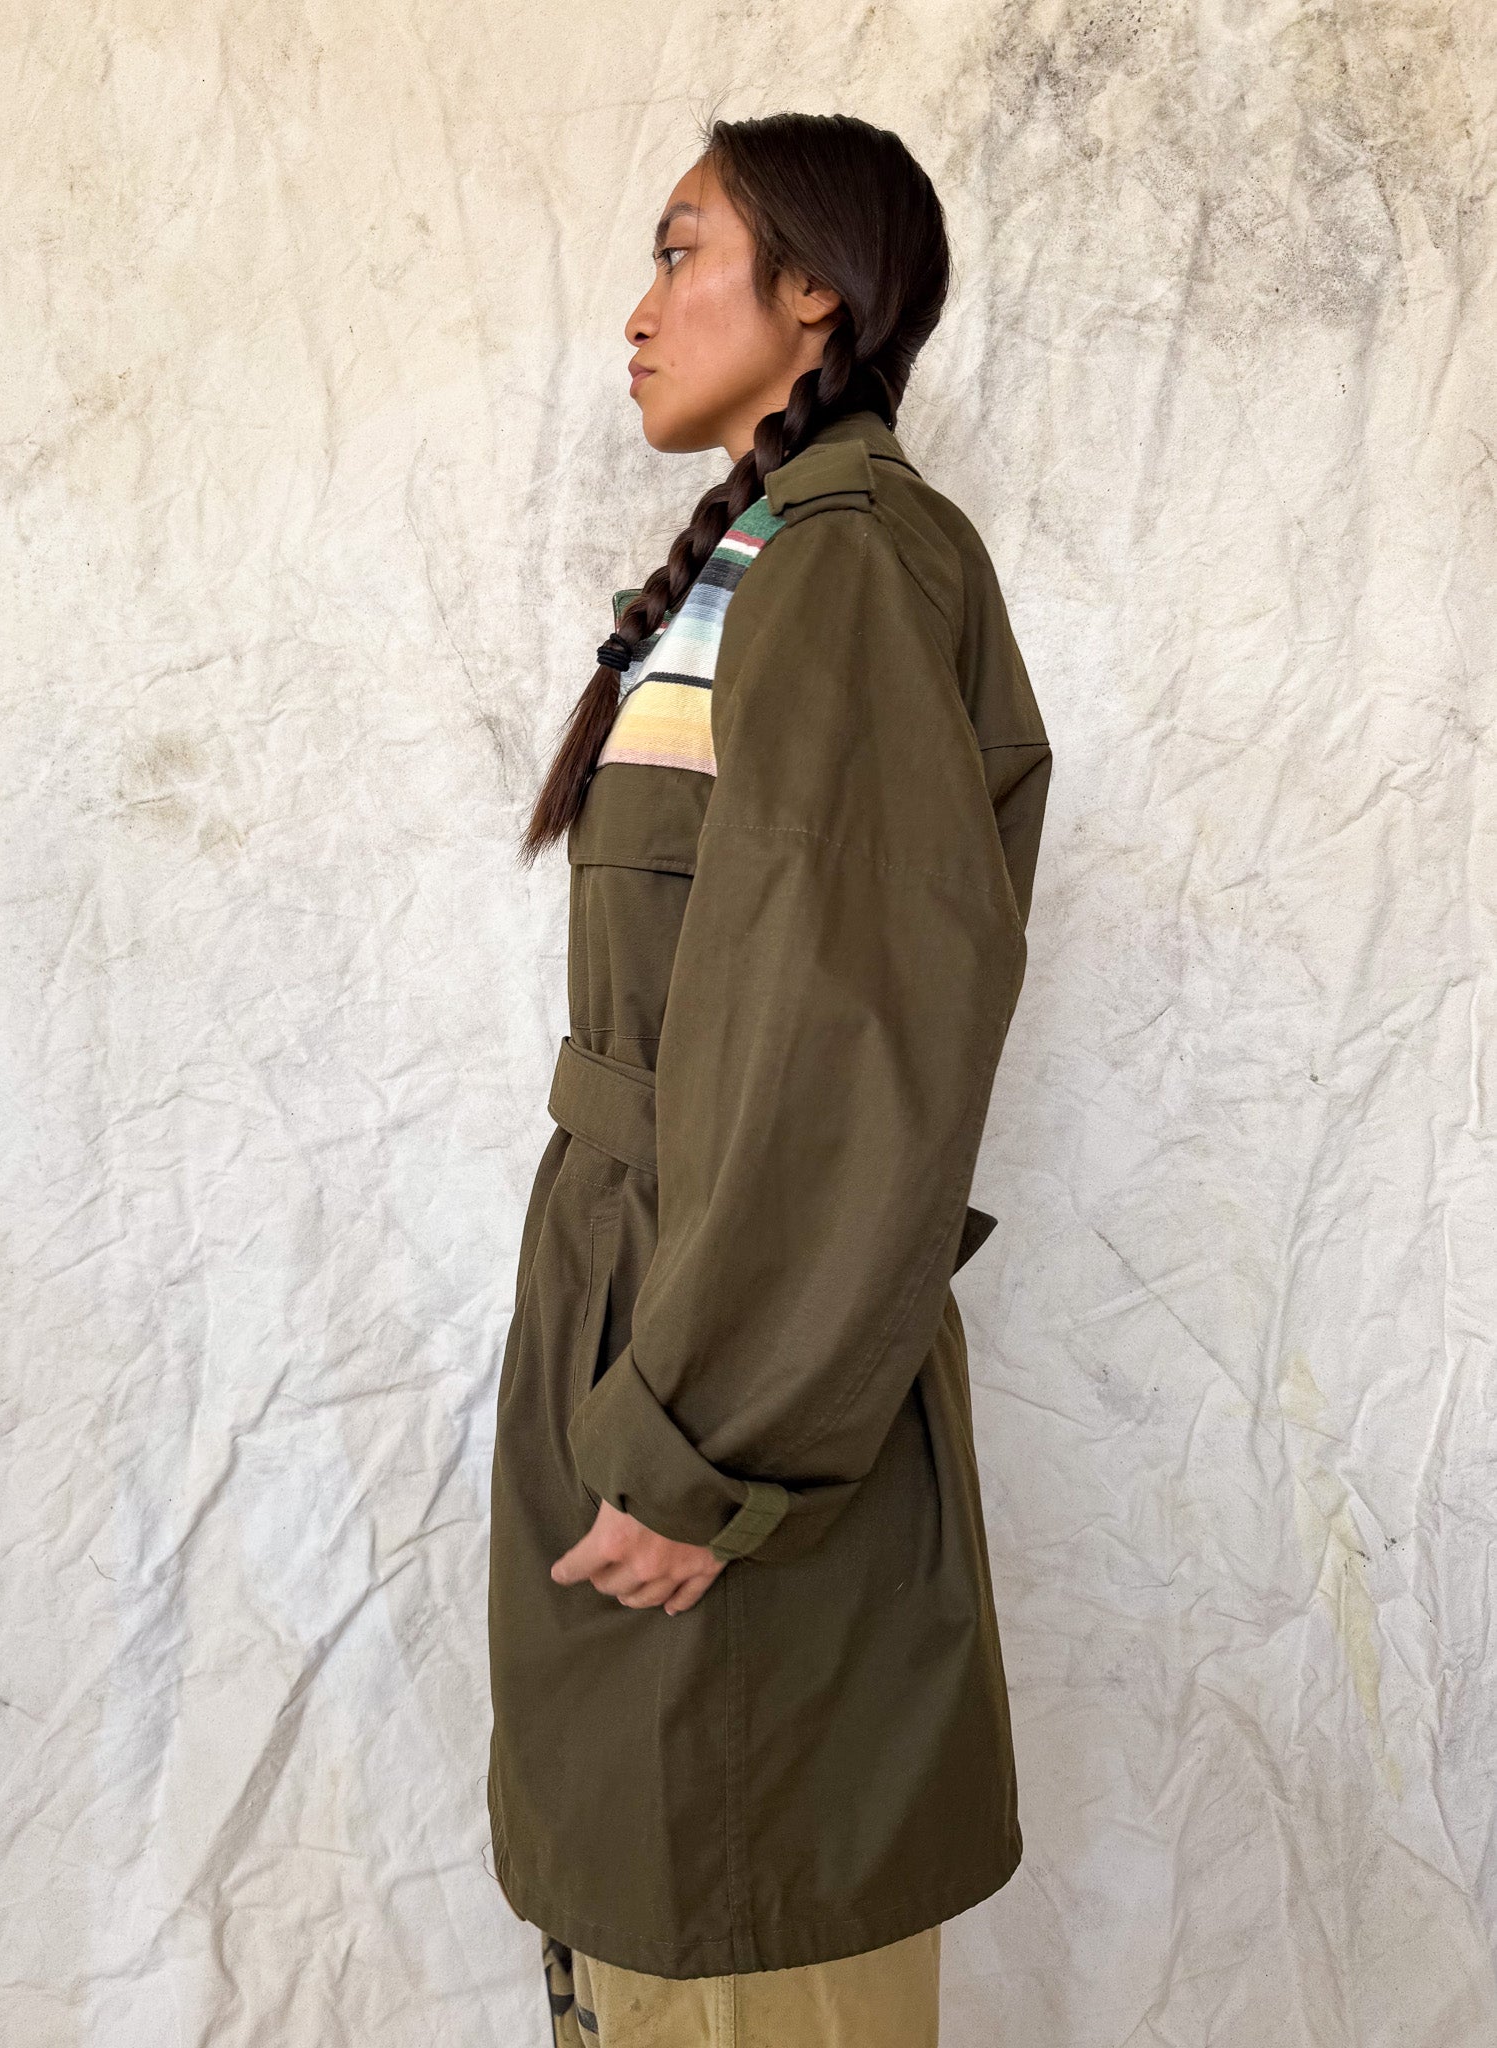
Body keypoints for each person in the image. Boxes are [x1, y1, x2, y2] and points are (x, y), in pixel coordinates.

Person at [487, 111, 1052, 2048]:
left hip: (725, 1370)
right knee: (651, 1918)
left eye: (680, 251)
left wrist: (704, 1449)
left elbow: (851, 1042)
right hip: (647, 1307)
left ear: (816, 288)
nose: (638, 311)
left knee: (742, 1927)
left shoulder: (845, 567)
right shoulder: (759, 562)